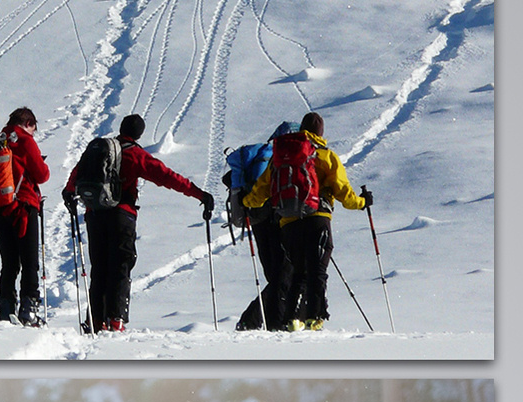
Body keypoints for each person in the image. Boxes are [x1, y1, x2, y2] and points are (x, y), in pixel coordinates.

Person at [62, 114, 214, 332]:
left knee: (100, 268)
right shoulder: (135, 155)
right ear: (139, 134)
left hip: (94, 215)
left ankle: (95, 321)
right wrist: (199, 194)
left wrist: (69, 192)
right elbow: (167, 177)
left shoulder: (101, 150)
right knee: (120, 266)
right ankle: (116, 320)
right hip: (121, 216)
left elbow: (77, 174)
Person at [242, 111, 371, 331]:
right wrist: (362, 202)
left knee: (298, 271)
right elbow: (344, 193)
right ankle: (314, 317)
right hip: (318, 218)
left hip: (288, 223)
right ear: (321, 132)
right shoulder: (325, 156)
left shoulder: (280, 156)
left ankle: (292, 319)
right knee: (317, 270)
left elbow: (261, 190)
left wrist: (247, 201)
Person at [0, 107, 50, 326]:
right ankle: (29, 311)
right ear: (29, 123)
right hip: (22, 207)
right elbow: (42, 174)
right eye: (34, 129)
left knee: (9, 262)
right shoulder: (24, 140)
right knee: (30, 261)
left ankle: (5, 308)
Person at [231, 121, 299, 332]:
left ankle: (262, 320)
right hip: (277, 218)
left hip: (258, 220)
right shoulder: (281, 157)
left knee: (275, 275)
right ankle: (267, 322)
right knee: (285, 274)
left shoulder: (259, 155)